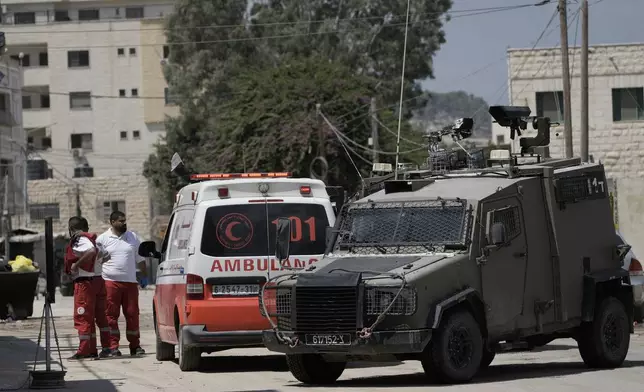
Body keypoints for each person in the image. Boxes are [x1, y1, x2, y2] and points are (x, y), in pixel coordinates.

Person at [97, 211, 146, 357]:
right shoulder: (102, 239)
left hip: (130, 283)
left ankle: (135, 346)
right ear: (111, 222)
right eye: (120, 221)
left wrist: (144, 277)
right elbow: (96, 261)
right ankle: (113, 347)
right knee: (110, 315)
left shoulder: (133, 237)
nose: (124, 223)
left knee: (132, 314)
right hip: (110, 282)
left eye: (125, 220)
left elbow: (140, 258)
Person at [64, 216, 100, 360]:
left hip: (83, 284)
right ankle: (91, 349)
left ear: (71, 228)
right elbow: (103, 254)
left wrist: (76, 265)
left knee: (82, 317)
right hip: (88, 282)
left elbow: (91, 251)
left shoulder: (80, 239)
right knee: (88, 319)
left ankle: (84, 350)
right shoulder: (88, 239)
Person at [79, 217, 112, 358]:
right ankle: (107, 348)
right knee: (102, 317)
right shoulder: (97, 242)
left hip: (89, 281)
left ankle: (91, 350)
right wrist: (98, 264)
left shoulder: (81, 242)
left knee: (88, 317)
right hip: (100, 279)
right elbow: (107, 256)